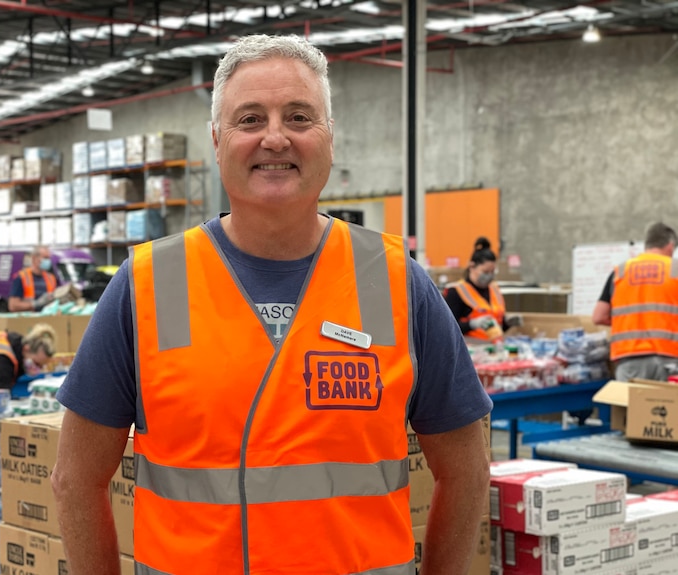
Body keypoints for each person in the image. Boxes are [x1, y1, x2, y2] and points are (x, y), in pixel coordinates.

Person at [51, 34, 492, 575]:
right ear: (217, 140)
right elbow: (75, 479)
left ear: (331, 139)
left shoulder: (394, 282)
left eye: (300, 117)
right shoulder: (148, 285)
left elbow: (467, 470)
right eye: (250, 119)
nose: (275, 138)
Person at [592, 222, 678, 381]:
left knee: (631, 405)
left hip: (629, 359)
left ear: (647, 244)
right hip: (670, 358)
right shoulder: (675, 269)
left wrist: (629, 321)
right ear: (671, 246)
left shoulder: (620, 272)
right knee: (668, 406)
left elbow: (598, 316)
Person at [443, 237, 521, 341]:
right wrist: (471, 324)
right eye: (485, 272)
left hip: (494, 349)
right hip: (469, 348)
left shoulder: (495, 290)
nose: (489, 276)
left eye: (492, 272)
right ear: (472, 267)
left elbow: (497, 325)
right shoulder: (456, 292)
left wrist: (507, 322)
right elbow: (447, 328)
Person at [7, 246, 58, 312]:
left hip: (47, 319)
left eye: (49, 258)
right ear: (34, 258)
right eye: (45, 258)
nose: (48, 261)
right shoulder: (21, 277)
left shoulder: (51, 278)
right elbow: (12, 306)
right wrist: (35, 304)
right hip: (28, 319)